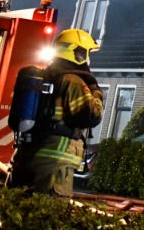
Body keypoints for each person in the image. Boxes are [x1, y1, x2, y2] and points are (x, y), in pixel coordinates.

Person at [8, 28, 104, 198]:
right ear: (78, 53)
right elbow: (90, 116)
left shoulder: (43, 77)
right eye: (87, 53)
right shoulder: (73, 81)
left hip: (27, 155)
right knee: (47, 217)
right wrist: (96, 92)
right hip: (55, 164)